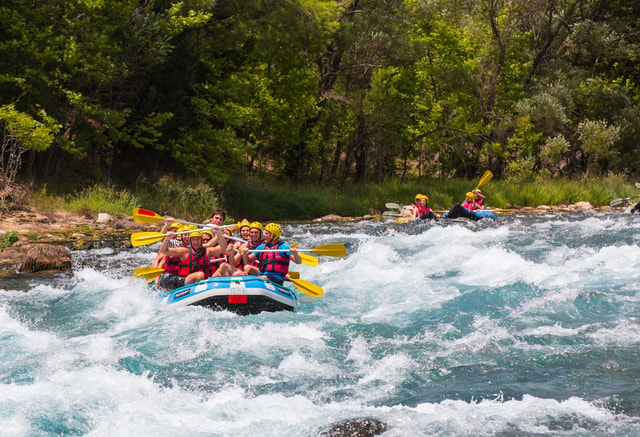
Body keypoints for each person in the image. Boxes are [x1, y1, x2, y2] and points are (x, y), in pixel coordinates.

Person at [156, 227, 227, 291]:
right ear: (190, 241)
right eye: (193, 240)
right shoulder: (184, 251)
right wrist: (167, 239)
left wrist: (219, 234)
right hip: (184, 282)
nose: (195, 242)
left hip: (201, 283)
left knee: (201, 275)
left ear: (201, 240)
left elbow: (223, 247)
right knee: (200, 275)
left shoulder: (208, 251)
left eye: (198, 240)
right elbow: (164, 251)